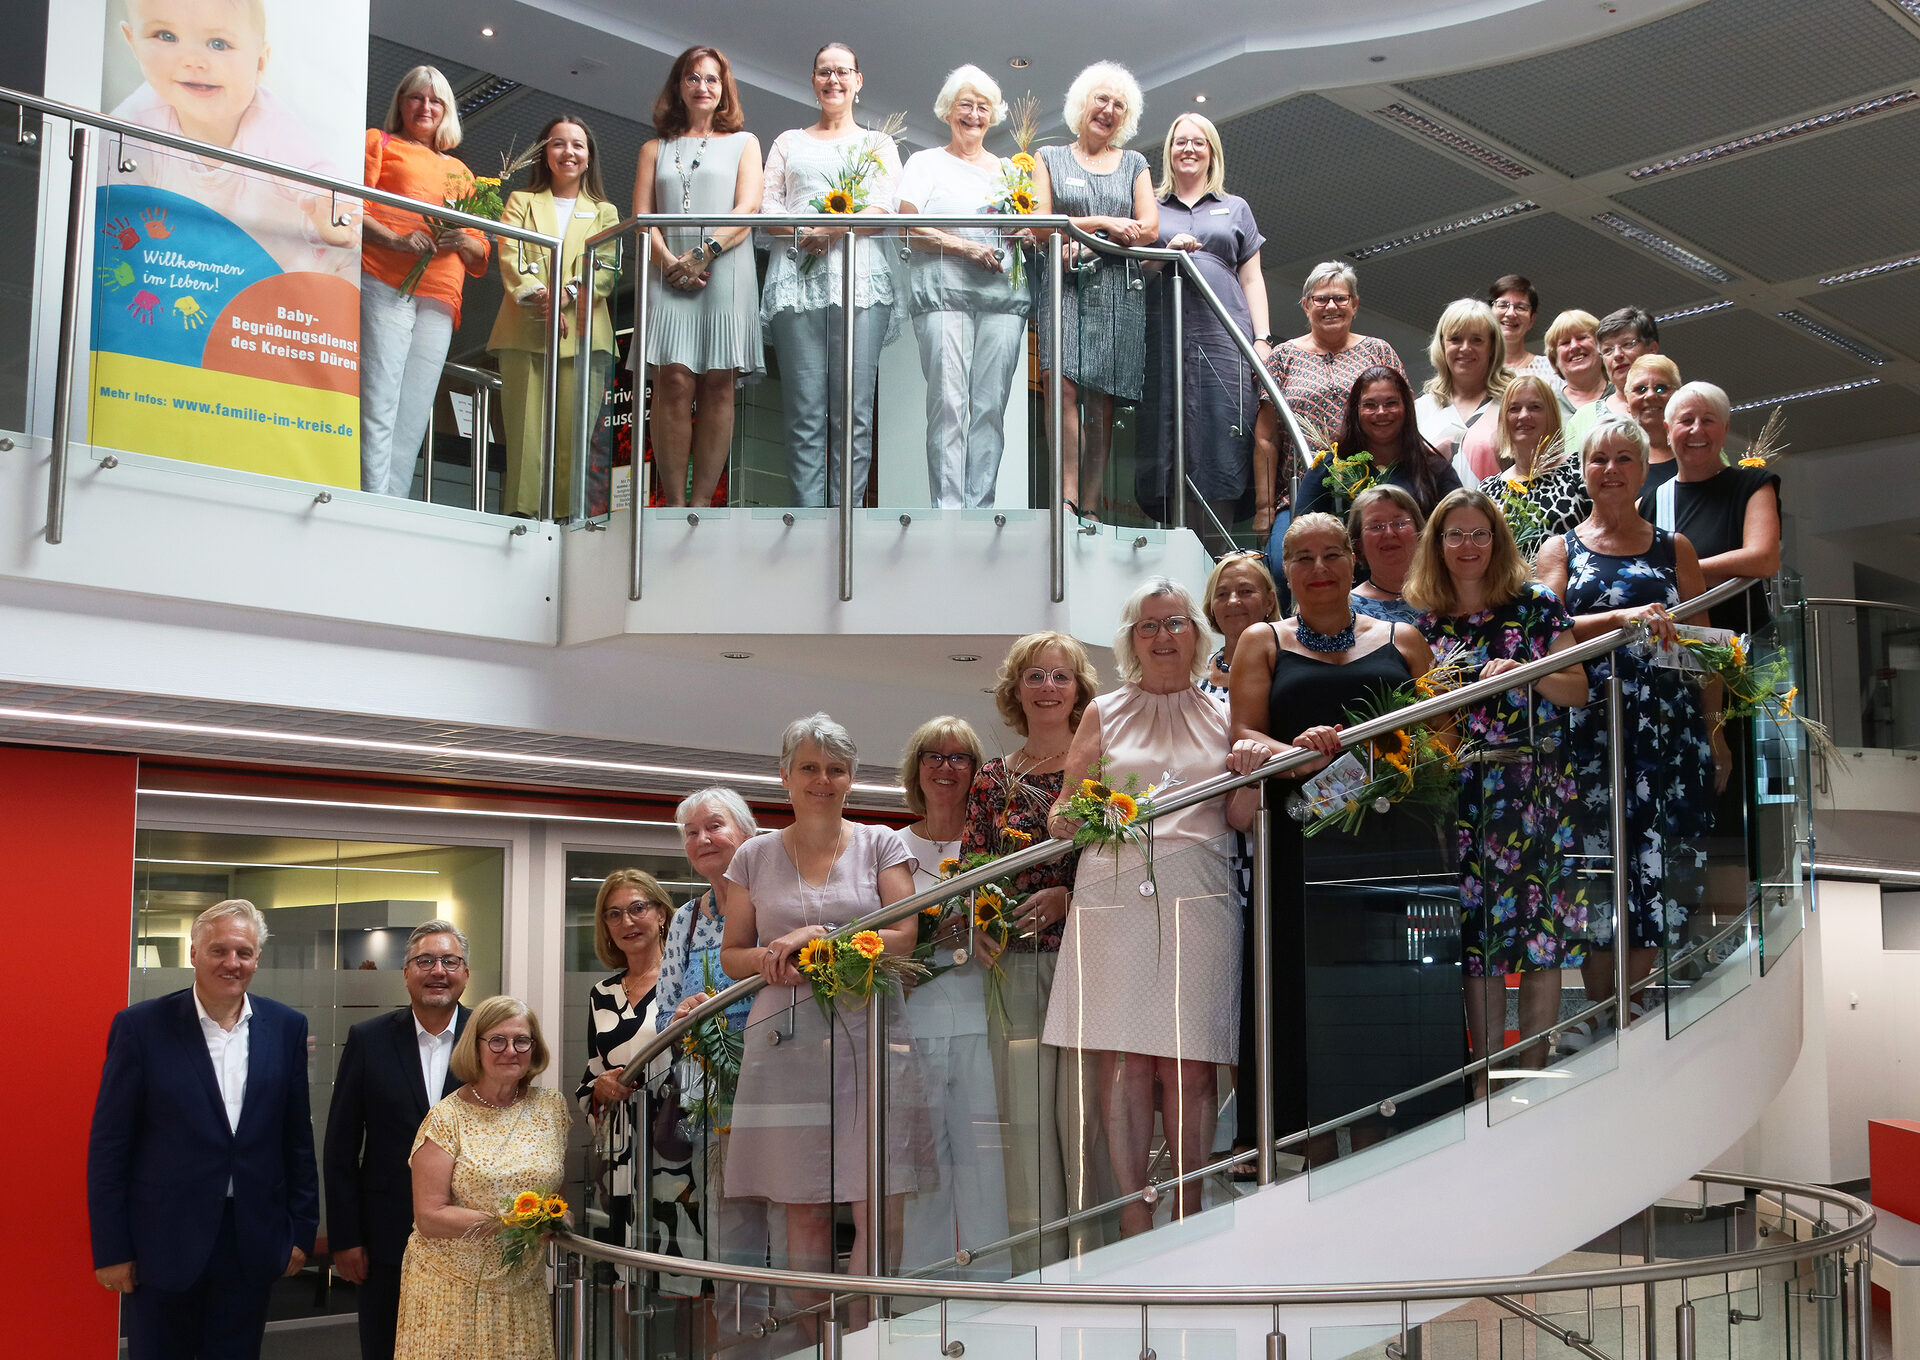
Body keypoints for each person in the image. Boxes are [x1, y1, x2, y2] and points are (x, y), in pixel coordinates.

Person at [1226, 514, 1449, 1155]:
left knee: (1388, 995)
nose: (1318, 568)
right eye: (1302, 557)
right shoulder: (1262, 641)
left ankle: (1391, 1154)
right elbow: (1243, 737)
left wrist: (1389, 759)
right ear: (1285, 570)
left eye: (1331, 554)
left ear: (1354, 560)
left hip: (1394, 848)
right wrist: (1299, 754)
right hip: (1301, 846)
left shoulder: (1406, 639)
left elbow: (1442, 739)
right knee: (1306, 1000)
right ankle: (1315, 1161)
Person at [1045, 578, 1257, 1236]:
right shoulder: (1103, 711)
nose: (1164, 636)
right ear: (1131, 640)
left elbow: (1241, 813)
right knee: (1128, 1062)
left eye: (1175, 623)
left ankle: (1191, 1209)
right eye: (1149, 625)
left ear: (1197, 632)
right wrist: (1072, 817)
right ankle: (1134, 1213)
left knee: (1192, 1061)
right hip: (1114, 887)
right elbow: (1065, 808)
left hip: (1202, 884)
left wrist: (1263, 770)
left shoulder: (1226, 712)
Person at [718, 714, 933, 1330]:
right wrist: (772, 956)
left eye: (836, 769)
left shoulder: (882, 843)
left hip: (872, 1035)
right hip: (784, 1040)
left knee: (879, 1199)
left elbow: (904, 934)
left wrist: (823, 936)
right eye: (809, 767)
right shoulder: (752, 857)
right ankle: (813, 1341)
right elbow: (733, 955)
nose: (822, 780)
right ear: (785, 775)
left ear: (851, 778)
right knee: (802, 1201)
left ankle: (866, 1336)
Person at [1537, 418, 1722, 1039]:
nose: (1611, 470)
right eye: (1599, 459)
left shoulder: (1676, 549)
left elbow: (1705, 649)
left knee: (1657, 857)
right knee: (1592, 861)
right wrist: (1625, 618)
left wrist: (1716, 734)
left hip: (1668, 730)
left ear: (1644, 470)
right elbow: (1544, 630)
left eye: (1624, 459)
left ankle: (1634, 1002)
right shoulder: (1561, 549)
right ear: (1583, 472)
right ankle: (1598, 1008)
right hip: (1586, 728)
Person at [1404, 491, 1589, 1077]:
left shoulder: (1536, 604)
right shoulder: (1421, 623)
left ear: (1497, 540)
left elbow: (1578, 689)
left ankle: (1533, 1069)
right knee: (1476, 939)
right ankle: (1483, 1079)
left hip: (1533, 787)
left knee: (1541, 935)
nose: (1468, 545)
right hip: (1458, 793)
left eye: (1479, 533)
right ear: (1437, 545)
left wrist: (1528, 673)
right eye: (1455, 534)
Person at [88, 899, 318, 1360]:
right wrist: (112, 1249)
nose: (232, 963)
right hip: (163, 1243)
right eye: (219, 950)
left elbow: (296, 1139)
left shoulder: (286, 1027)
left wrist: (300, 1232)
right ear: (193, 953)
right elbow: (111, 1145)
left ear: (257, 959)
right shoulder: (141, 1027)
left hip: (251, 1239)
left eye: (244, 952)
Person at [962, 632, 1100, 1267]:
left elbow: (1125, 858)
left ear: (1079, 688)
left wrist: (1071, 898)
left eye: (1060, 676)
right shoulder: (993, 779)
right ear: (1015, 690)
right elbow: (973, 867)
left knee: (1087, 1119)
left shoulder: (1102, 765)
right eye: (1035, 676)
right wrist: (979, 921)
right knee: (1025, 1127)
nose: (1048, 687)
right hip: (1013, 964)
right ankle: (1038, 1274)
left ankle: (1099, 1265)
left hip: (1089, 959)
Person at [110, 0, 355, 275]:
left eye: (218, 44)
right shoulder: (135, 121)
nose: (192, 60)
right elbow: (111, 208)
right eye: (166, 36)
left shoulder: (272, 126)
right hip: (186, 275)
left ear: (259, 63)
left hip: (276, 279)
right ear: (133, 42)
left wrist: (329, 219)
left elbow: (321, 187)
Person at [760, 42, 902, 507]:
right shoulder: (788, 142)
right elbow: (767, 206)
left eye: (842, 71)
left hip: (861, 283)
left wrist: (835, 228)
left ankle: (847, 521)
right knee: (804, 413)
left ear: (858, 80)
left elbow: (884, 208)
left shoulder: (878, 144)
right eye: (824, 72)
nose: (833, 80)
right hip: (795, 281)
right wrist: (805, 232)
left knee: (854, 414)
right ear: (813, 81)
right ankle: (807, 522)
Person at [323, 921, 472, 1360]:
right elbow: (340, 1148)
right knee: (385, 1348)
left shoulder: (490, 1039)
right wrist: (345, 1237)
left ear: (465, 974)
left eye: (450, 961)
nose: (438, 971)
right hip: (386, 1239)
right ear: (406, 973)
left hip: (470, 1237)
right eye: (425, 961)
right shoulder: (368, 1039)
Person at [896, 717, 1012, 1277]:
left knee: (985, 1168)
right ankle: (924, 1296)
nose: (946, 768)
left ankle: (993, 1288)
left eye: (959, 757)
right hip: (910, 1028)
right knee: (925, 1171)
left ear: (976, 771)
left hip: (982, 1025)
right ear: (916, 768)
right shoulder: (889, 846)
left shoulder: (995, 844)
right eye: (934, 756)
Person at [394, 996, 571, 1360]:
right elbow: (429, 1216)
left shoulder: (551, 1107)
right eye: (497, 1041)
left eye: (522, 1040)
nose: (511, 1051)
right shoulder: (446, 1118)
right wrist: (511, 1224)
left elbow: (552, 1185)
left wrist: (558, 1216)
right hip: (449, 1288)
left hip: (522, 1288)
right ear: (475, 1047)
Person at [655, 788, 769, 1349]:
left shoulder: (775, 901)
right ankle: (742, 1345)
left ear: (747, 833)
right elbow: (662, 1015)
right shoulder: (684, 918)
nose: (702, 839)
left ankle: (798, 1342)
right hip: (710, 1093)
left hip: (777, 1082)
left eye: (715, 826)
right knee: (730, 1229)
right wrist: (682, 1014)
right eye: (691, 832)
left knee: (790, 1220)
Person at [895, 65, 1032, 509]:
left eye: (983, 107)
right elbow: (906, 228)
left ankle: (980, 512)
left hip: (1002, 299)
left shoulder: (1010, 170)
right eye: (965, 105)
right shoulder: (925, 163)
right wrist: (965, 247)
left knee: (991, 409)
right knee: (949, 405)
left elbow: (1025, 228)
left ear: (993, 115)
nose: (974, 114)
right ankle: (948, 515)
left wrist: (1024, 235)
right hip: (943, 295)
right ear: (947, 111)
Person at [635, 46, 763, 508]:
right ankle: (673, 503)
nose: (702, 86)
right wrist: (671, 261)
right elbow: (643, 220)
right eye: (692, 77)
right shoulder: (653, 149)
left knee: (719, 382)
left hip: (725, 267)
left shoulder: (745, 143)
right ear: (678, 86)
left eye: (712, 79)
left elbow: (749, 208)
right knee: (671, 379)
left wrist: (704, 253)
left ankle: (702, 505)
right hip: (666, 270)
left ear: (724, 89)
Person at [359, 67, 492, 500]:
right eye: (416, 98)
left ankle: (394, 505)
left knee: (415, 409)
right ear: (401, 102)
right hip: (384, 279)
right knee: (379, 396)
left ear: (447, 111)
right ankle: (371, 500)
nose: (425, 107)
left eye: (436, 101)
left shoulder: (462, 172)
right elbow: (351, 208)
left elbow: (480, 249)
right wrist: (394, 239)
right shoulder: (378, 142)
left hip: (440, 294)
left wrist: (463, 241)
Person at [1035, 61, 1157, 522]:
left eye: (1119, 105)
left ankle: (1090, 502)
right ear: (1081, 104)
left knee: (1100, 401)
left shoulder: (1135, 163)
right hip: (1064, 286)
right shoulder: (1049, 157)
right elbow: (1039, 223)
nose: (1108, 110)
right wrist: (1104, 223)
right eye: (1101, 99)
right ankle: (1065, 498)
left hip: (1116, 290)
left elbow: (1149, 228)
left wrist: (1083, 238)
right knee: (1060, 387)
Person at [1138, 113, 1269, 538]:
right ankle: (1174, 542)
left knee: (1223, 426)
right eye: (1180, 142)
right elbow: (1136, 274)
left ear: (1211, 152)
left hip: (1223, 336)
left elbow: (1252, 278)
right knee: (1168, 428)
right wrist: (1167, 252)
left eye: (1198, 142)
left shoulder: (1235, 206)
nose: (1189, 149)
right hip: (1166, 335)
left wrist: (1262, 339)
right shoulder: (1150, 206)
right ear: (1169, 152)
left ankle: (1220, 549)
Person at [487, 115, 622, 519]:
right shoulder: (520, 202)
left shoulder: (605, 212)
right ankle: (522, 517)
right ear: (544, 154)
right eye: (558, 143)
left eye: (578, 145)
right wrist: (543, 297)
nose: (568, 152)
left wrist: (565, 295)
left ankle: (566, 521)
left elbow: (606, 267)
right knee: (525, 434)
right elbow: (510, 255)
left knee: (574, 440)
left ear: (589, 157)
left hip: (584, 336)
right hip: (524, 328)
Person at [1251, 263, 1406, 537]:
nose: (1331, 306)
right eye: (1321, 299)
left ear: (1354, 304)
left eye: (1340, 298)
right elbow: (1267, 438)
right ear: (1306, 305)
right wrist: (1265, 507)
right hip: (1299, 496)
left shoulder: (1379, 351)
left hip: (1374, 489)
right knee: (1284, 559)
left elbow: (1405, 419)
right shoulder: (1282, 357)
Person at [575, 869, 677, 1252]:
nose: (627, 922)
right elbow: (592, 1074)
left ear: (661, 914)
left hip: (678, 1149)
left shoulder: (686, 981)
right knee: (624, 1265)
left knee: (680, 1263)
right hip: (621, 1157)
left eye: (637, 908)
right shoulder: (601, 994)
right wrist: (600, 1088)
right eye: (614, 914)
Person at [1642, 380, 1782, 634]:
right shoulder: (1649, 502)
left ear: (1725, 429)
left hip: (1744, 645)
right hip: (1670, 648)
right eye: (1686, 421)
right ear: (1668, 430)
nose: (1697, 429)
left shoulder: (1753, 486)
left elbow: (1764, 560)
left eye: (1708, 420)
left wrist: (1680, 572)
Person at [1298, 365, 1460, 519]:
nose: (1381, 412)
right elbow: (1301, 530)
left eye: (1391, 403)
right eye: (1370, 405)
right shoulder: (1330, 467)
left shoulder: (1435, 469)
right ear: (1356, 410)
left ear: (1407, 407)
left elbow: (1461, 524)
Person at [1461, 373, 1589, 560]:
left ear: (1551, 415)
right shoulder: (1488, 490)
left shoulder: (1580, 470)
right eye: (1514, 409)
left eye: (1535, 407)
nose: (1524, 415)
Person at [1415, 298, 1510, 463]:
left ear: (1492, 347)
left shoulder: (1511, 404)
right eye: (1455, 339)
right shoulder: (1422, 408)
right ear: (1442, 345)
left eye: (1476, 340)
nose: (1465, 348)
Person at [1200, 551, 1280, 699]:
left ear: (1269, 602)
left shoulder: (1287, 670)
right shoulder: (1195, 670)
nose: (1232, 601)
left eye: (1245, 591)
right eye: (1222, 594)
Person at [1347, 484, 1426, 623]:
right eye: (1376, 526)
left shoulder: (1447, 596)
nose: (1389, 533)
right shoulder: (1346, 610)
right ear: (1358, 543)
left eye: (1399, 523)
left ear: (1418, 532)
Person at [1548, 310, 1611, 452]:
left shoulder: (1625, 395)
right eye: (1565, 342)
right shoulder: (1546, 407)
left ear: (1601, 347)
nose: (1574, 346)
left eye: (1582, 337)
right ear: (1554, 359)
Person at [1624, 354, 1682, 498]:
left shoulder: (1696, 451)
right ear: (1627, 402)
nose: (1650, 395)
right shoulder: (1616, 458)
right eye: (1640, 389)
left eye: (1661, 388)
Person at [1596, 307, 1661, 422]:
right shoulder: (1583, 418)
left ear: (1652, 349)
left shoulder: (1680, 403)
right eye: (1608, 350)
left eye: (1627, 344)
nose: (1617, 355)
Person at [1488, 274, 1556, 383]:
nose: (1511, 313)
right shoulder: (1476, 369)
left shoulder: (1550, 370)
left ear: (1532, 320)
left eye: (1520, 307)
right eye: (1503, 305)